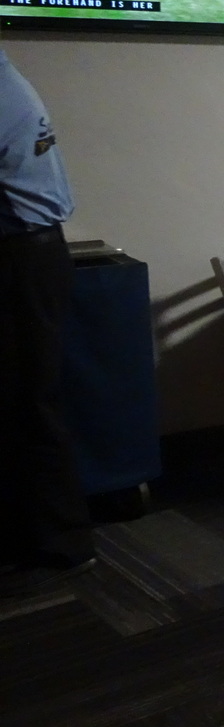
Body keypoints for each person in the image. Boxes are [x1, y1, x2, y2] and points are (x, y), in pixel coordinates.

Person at [0, 47, 95, 593]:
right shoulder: (10, 78)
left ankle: (60, 542)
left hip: (20, 258)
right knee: (25, 398)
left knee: (28, 401)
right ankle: (39, 534)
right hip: (33, 254)